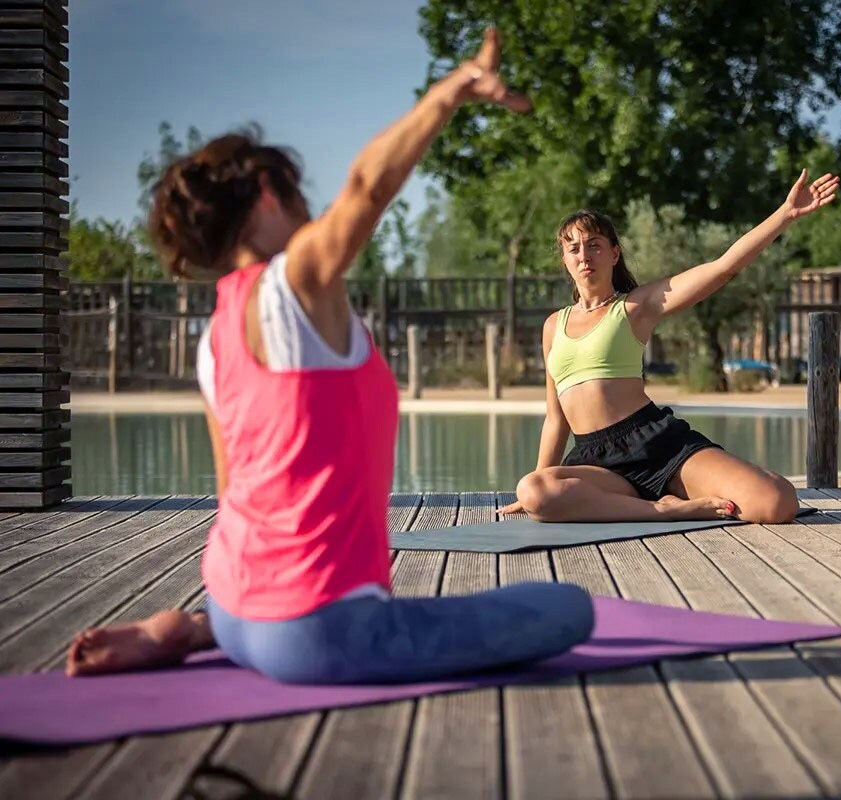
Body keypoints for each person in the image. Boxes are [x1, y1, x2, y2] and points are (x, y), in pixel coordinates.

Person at [65, 29, 594, 684]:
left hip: (231, 605)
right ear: (267, 192)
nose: (313, 208)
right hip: (323, 633)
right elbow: (369, 185)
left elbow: (235, 494)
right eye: (297, 192)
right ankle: (215, 632)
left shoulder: (215, 336)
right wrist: (454, 90)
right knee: (569, 608)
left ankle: (192, 631)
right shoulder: (293, 285)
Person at [500, 171, 839, 525]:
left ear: (614, 254)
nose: (584, 255)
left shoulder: (636, 306)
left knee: (778, 502)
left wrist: (784, 213)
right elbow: (557, 418)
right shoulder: (554, 326)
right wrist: (538, 485)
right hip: (596, 463)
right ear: (565, 261)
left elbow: (722, 268)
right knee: (534, 490)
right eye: (573, 248)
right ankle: (663, 508)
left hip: (656, 445)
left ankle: (686, 489)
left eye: (595, 244)